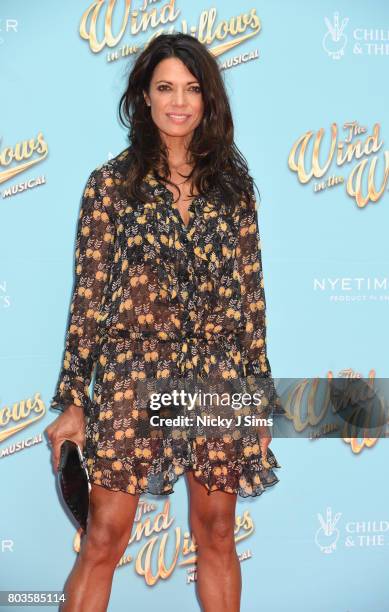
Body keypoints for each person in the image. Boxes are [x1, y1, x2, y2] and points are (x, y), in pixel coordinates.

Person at [44, 32, 283, 612]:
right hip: (134, 373)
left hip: (215, 378)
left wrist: (259, 398)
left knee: (218, 532)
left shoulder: (234, 187)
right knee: (103, 537)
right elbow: (89, 297)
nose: (179, 101)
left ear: (208, 101)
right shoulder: (110, 186)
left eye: (193, 88)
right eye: (166, 87)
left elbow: (250, 297)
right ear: (144, 98)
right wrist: (74, 399)